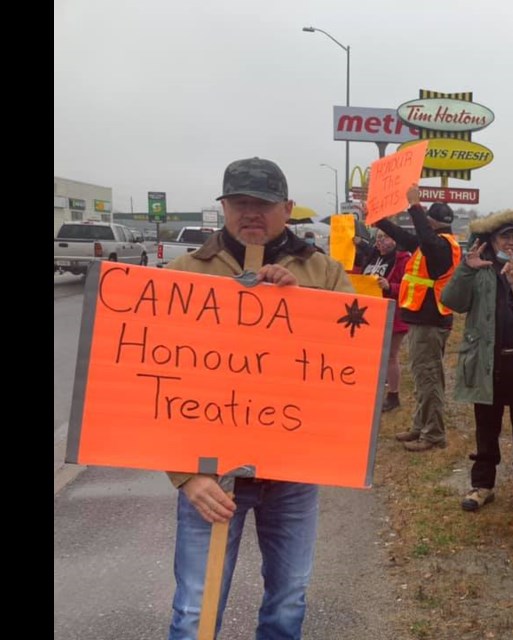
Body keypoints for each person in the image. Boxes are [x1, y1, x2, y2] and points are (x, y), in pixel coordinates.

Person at [164, 157, 354, 640]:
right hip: (208, 471)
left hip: (292, 468)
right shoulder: (184, 272)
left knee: (288, 600)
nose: (251, 213)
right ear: (224, 207)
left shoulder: (324, 272)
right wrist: (185, 474)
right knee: (193, 610)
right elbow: (153, 383)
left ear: (287, 209)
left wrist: (305, 307)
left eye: (263, 204)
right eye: (239, 202)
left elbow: (354, 364)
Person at [440, 209, 513, 512]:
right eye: (504, 236)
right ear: (491, 241)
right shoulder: (478, 269)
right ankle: (482, 485)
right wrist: (466, 269)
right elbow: (451, 301)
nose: (510, 241)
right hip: (487, 362)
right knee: (486, 428)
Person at [374, 186, 462, 451]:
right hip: (424, 321)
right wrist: (378, 220)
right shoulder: (431, 245)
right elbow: (403, 235)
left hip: (431, 322)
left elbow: (424, 236)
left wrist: (414, 206)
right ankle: (419, 426)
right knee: (423, 376)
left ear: (432, 223)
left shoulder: (440, 247)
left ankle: (434, 434)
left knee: (429, 378)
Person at [361, 229, 412, 413]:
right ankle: (372, 391)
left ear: (395, 240)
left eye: (387, 236)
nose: (382, 241)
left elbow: (410, 286)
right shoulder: (372, 256)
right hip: (370, 314)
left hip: (394, 315)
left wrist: (390, 286)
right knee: (373, 356)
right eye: (379, 237)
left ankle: (393, 395)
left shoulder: (403, 260)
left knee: (390, 355)